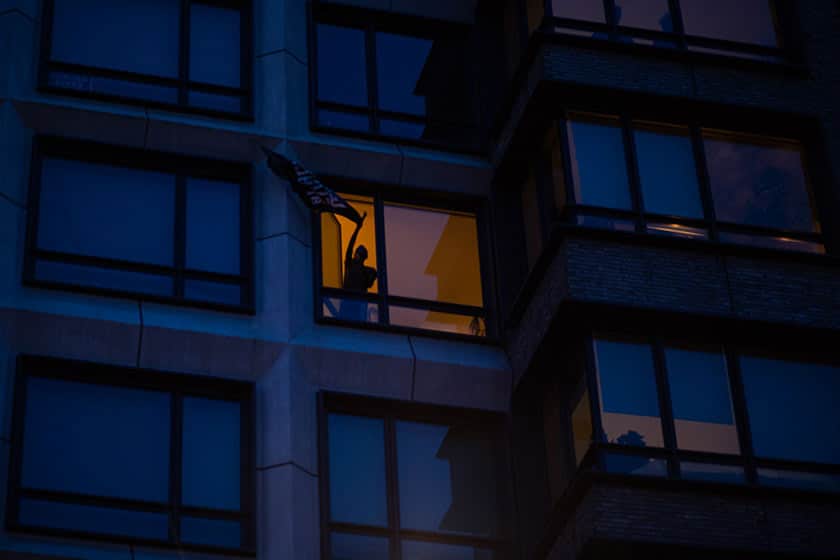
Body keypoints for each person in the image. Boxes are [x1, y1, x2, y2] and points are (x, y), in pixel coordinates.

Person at [338, 212, 377, 321]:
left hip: (357, 305)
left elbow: (370, 281)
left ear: (363, 257)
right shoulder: (350, 264)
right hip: (347, 302)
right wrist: (357, 228)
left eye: (359, 254)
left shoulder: (366, 271)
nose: (357, 256)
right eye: (357, 253)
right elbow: (350, 245)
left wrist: (373, 275)